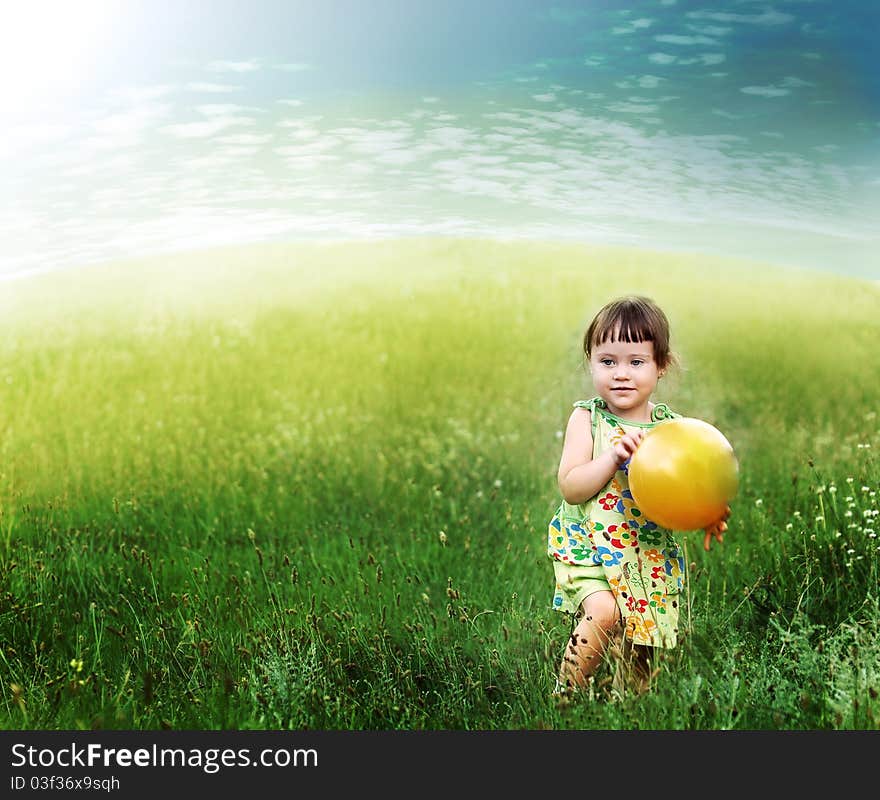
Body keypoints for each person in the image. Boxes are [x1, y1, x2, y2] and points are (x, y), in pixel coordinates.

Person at [547, 295, 730, 696]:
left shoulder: (672, 431)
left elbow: (692, 483)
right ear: (591, 362)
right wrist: (612, 456)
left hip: (645, 552)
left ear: (661, 366)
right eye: (607, 361)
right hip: (589, 545)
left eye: (636, 361)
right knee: (606, 612)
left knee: (642, 641)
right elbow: (571, 487)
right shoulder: (588, 418)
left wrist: (710, 511)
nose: (621, 374)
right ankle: (564, 696)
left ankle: (630, 708)